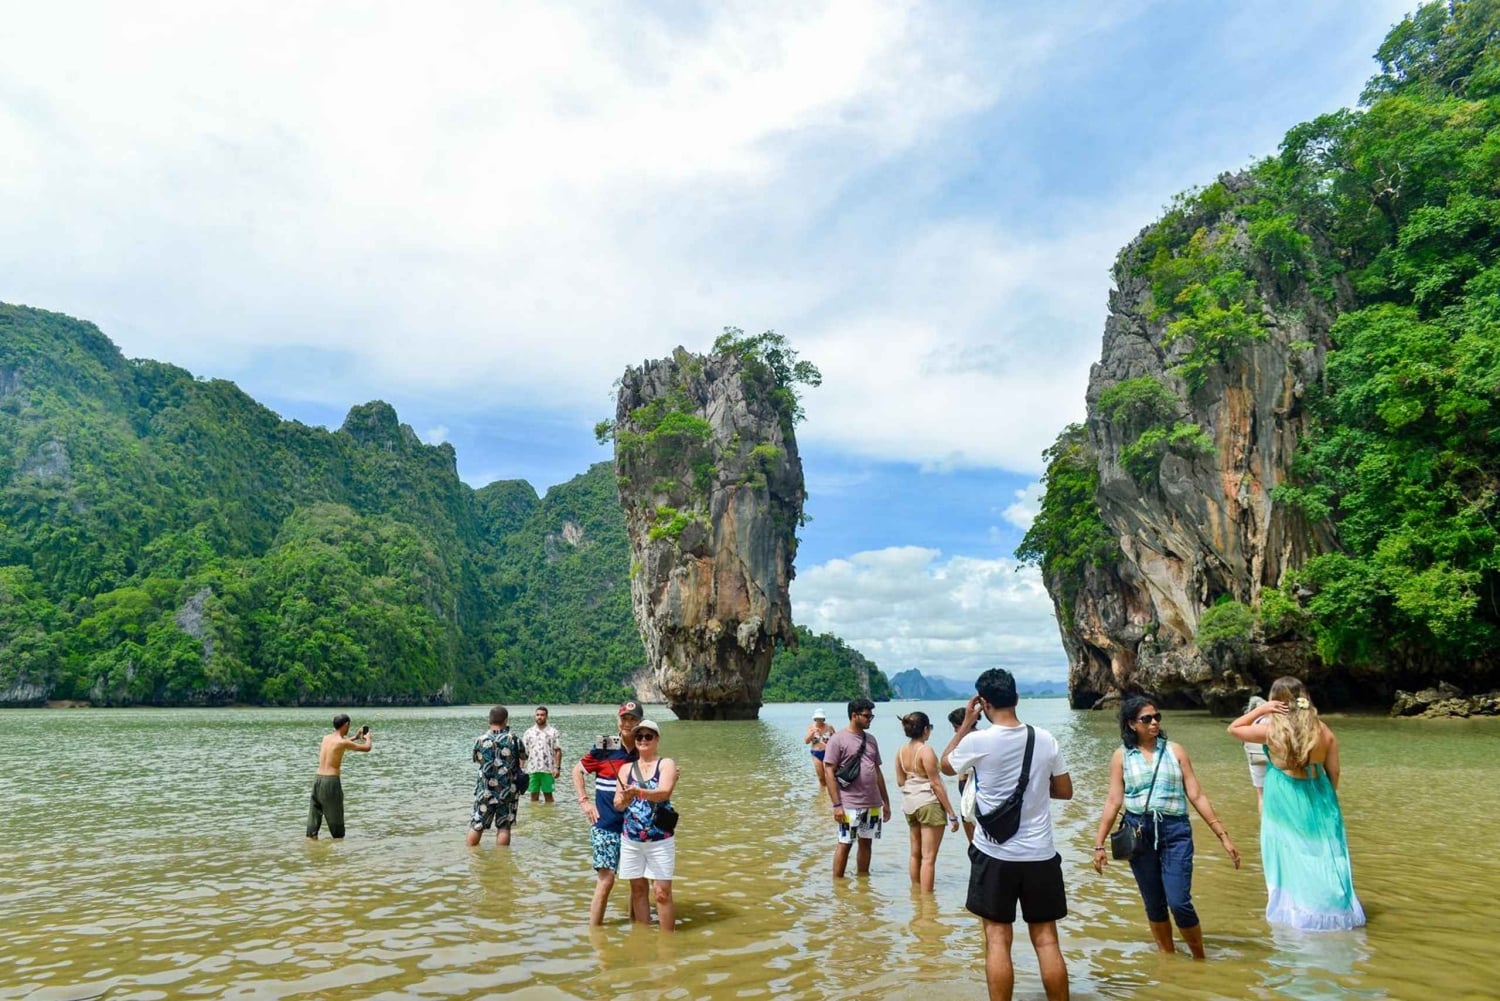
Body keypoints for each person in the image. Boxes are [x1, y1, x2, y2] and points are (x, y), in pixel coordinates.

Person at [941, 669, 1071, 1001]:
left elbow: (945, 765)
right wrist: (1034, 790)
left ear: (983, 703)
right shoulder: (1046, 739)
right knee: (1047, 940)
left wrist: (967, 723)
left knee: (998, 939)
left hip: (994, 854)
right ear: (1017, 698)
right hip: (1040, 855)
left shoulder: (977, 741)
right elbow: (1065, 790)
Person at [1090, 696, 1241, 959]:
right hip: (1138, 831)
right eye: (1146, 719)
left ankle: (1199, 959)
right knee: (1154, 903)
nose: (1154, 723)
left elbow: (1196, 795)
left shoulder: (1175, 751)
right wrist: (1099, 844)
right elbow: (1114, 800)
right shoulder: (1121, 756)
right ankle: (1168, 960)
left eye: (1157, 717)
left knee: (1179, 901)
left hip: (1175, 831)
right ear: (1132, 724)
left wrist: (1223, 836)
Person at [1229, 676, 1365, 930]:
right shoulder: (1323, 730)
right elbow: (1334, 771)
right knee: (1326, 852)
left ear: (1276, 701)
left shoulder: (1271, 731)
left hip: (1284, 797)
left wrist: (1261, 710)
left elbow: (1234, 728)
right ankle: (1334, 910)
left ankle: (1297, 912)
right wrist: (1326, 797)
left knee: (1289, 852)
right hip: (1320, 794)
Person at [573, 700, 650, 925]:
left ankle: (639, 933)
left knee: (638, 881)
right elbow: (577, 770)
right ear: (618, 720)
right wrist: (585, 801)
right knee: (606, 881)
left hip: (634, 827)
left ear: (640, 722)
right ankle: (594, 932)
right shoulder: (605, 744)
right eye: (624, 718)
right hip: (605, 825)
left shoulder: (644, 747)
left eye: (633, 719)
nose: (628, 723)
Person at [614, 719, 678, 931]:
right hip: (631, 840)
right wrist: (625, 799)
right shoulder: (626, 769)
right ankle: (644, 935)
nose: (643, 740)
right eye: (639, 736)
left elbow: (664, 793)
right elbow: (617, 804)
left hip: (660, 840)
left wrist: (638, 792)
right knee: (638, 890)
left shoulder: (666, 764)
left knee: (662, 893)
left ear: (657, 739)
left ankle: (667, 942)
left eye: (648, 736)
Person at [822, 697, 892, 878]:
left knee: (867, 843)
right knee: (845, 843)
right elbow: (829, 771)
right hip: (849, 804)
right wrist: (837, 805)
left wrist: (885, 802)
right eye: (867, 716)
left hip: (873, 803)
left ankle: (863, 882)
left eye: (871, 716)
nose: (870, 719)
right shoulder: (838, 739)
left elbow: (877, 771)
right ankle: (838, 884)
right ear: (854, 716)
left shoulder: (871, 740)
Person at [895, 711, 960, 892]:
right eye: (930, 728)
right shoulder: (926, 751)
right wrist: (952, 814)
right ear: (925, 729)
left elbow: (900, 782)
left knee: (915, 854)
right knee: (929, 858)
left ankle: (916, 894)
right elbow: (936, 784)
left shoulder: (900, 752)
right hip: (928, 803)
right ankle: (927, 899)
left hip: (910, 804)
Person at [306, 713, 372, 840]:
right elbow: (367, 748)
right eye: (349, 725)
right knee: (336, 821)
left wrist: (355, 737)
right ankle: (338, 843)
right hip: (330, 782)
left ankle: (313, 843)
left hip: (317, 780)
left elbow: (339, 745)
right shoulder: (342, 742)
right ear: (346, 725)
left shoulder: (326, 738)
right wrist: (368, 737)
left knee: (314, 820)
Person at [468, 705, 527, 847]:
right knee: (504, 827)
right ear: (506, 720)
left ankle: (470, 854)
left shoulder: (480, 740)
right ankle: (502, 858)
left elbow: (477, 759)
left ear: (489, 720)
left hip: (485, 790)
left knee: (477, 824)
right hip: (507, 791)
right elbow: (524, 757)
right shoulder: (514, 739)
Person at [522, 706, 563, 803]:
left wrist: (557, 767)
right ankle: (535, 813)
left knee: (549, 797)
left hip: (548, 770)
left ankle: (548, 813)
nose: (539, 717)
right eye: (537, 715)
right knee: (533, 797)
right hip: (532, 769)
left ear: (546, 716)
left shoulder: (553, 732)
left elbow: (558, 751)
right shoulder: (528, 732)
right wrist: (521, 769)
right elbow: (523, 753)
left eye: (542, 715)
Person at [949, 705, 976, 844]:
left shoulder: (968, 740)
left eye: (956, 727)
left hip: (969, 786)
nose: (955, 731)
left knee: (974, 840)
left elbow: (947, 765)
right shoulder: (977, 737)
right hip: (966, 786)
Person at [1243, 695, 1269, 811]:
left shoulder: (1251, 723)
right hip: (1273, 758)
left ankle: (1263, 820)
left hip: (1256, 758)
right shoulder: (1273, 720)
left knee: (1261, 795)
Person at [804, 708, 836, 787]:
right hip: (816, 753)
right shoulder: (811, 727)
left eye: (821, 718)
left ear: (824, 718)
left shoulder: (829, 727)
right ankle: (822, 792)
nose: (819, 720)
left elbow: (836, 740)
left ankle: (829, 792)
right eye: (818, 718)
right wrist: (812, 733)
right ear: (815, 718)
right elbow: (806, 741)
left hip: (828, 753)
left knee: (829, 775)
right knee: (821, 778)